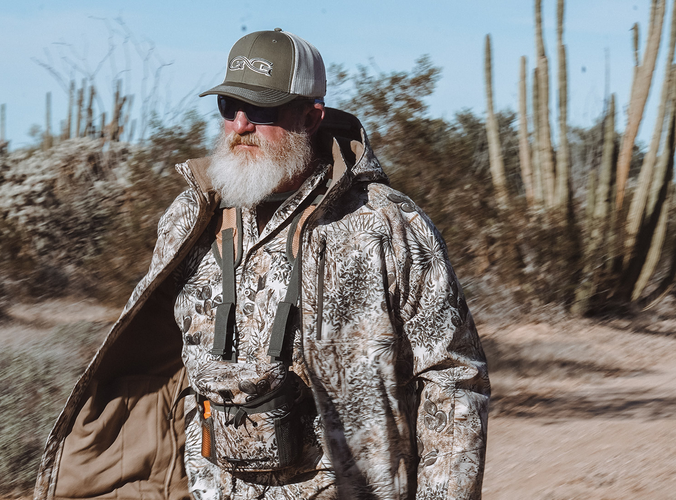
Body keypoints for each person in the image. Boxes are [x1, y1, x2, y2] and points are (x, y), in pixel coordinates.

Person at [34, 29, 490, 500]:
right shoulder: (191, 219)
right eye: (228, 106)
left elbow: (453, 377)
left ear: (311, 118)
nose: (240, 125)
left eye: (263, 109)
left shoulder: (386, 222)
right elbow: (160, 370)